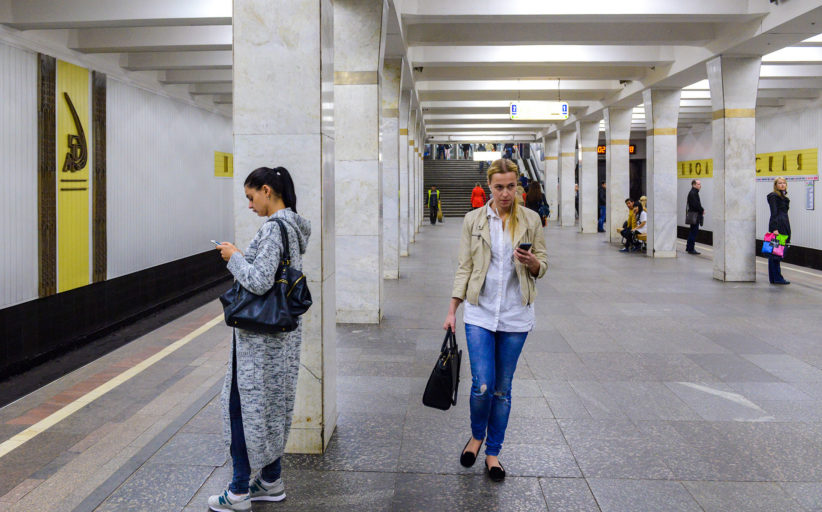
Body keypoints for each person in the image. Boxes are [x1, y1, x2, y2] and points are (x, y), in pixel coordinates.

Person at [210, 166, 310, 511]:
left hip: (259, 340)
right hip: (279, 338)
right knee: (269, 410)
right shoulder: (293, 227)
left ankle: (238, 491)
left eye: (251, 197)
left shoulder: (273, 229)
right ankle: (270, 480)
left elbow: (259, 280)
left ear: (267, 190)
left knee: (241, 408)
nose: (250, 205)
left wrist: (234, 257)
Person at [444, 158, 548, 483]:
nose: (505, 193)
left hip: (516, 316)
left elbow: (542, 265)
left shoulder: (531, 220)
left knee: (502, 389)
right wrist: (452, 311)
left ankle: (493, 453)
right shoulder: (473, 220)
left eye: (511, 186)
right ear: (489, 186)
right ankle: (476, 436)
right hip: (479, 313)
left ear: (519, 186)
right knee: (482, 385)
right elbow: (464, 266)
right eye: (499, 187)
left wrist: (532, 262)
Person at [767, 177, 791, 285]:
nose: (782, 185)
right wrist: (774, 228)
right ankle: (777, 278)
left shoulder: (782, 197)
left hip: (783, 226)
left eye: (784, 183)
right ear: (775, 185)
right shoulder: (774, 196)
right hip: (778, 227)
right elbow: (774, 213)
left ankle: (774, 278)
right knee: (776, 254)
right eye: (780, 183)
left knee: (775, 253)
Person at [685, 179, 705, 255]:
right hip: (695, 215)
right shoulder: (693, 193)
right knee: (694, 232)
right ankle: (691, 249)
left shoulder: (693, 192)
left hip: (694, 214)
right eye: (698, 184)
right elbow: (696, 205)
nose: (700, 186)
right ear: (694, 185)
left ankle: (688, 247)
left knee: (692, 231)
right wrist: (702, 210)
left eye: (700, 184)